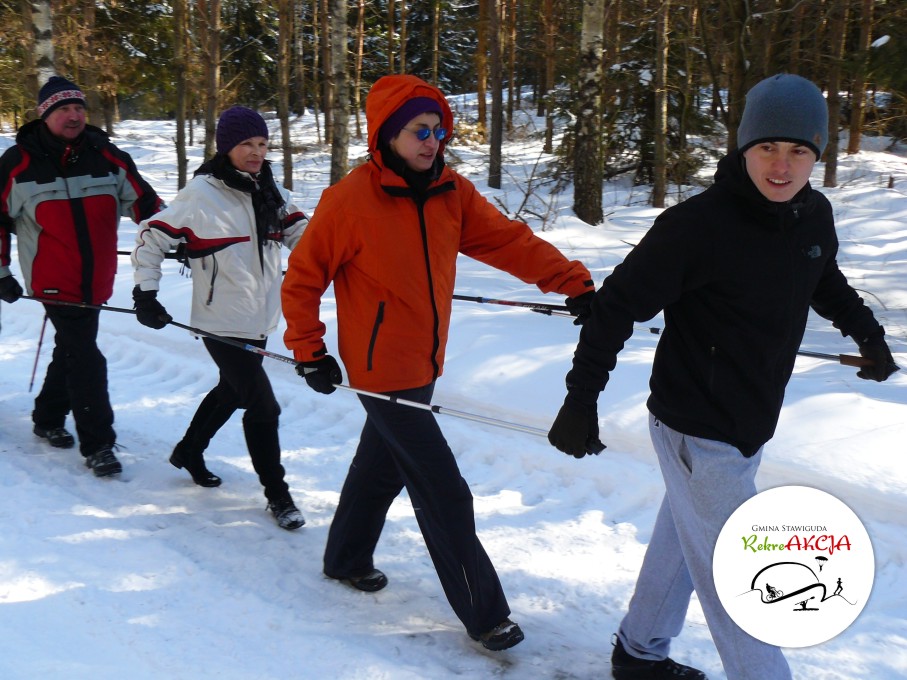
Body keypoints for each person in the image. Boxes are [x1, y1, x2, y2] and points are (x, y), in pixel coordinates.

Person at [548, 73, 899, 680]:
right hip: (697, 428)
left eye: (799, 150)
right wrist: (581, 399)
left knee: (685, 538)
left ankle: (638, 651)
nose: (782, 166)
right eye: (768, 147)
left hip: (750, 420)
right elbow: (615, 307)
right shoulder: (697, 227)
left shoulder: (811, 215)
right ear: (744, 146)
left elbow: (822, 276)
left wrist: (866, 334)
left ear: (817, 154)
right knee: (742, 575)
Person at [281, 74, 595, 651]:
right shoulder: (350, 201)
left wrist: (570, 282)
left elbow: (508, 241)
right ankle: (485, 615)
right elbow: (303, 278)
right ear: (387, 135)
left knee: (381, 465)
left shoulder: (452, 192)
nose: (432, 141)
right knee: (444, 491)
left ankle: (346, 556)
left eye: (438, 130)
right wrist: (308, 350)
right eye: (419, 131)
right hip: (379, 369)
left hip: (425, 361)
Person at [131, 106, 308, 530]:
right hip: (218, 321)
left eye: (262, 144)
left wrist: (339, 267)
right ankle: (278, 495)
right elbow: (151, 237)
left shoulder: (271, 191)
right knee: (262, 405)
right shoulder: (201, 194)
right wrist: (145, 294)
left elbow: (304, 236)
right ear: (226, 147)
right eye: (246, 144)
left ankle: (189, 450)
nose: (256, 152)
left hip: (260, 317)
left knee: (232, 390)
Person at [0, 76, 163, 477]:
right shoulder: (18, 163)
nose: (74, 116)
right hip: (52, 279)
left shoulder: (105, 154)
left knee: (73, 348)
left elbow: (143, 202)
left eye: (79, 108)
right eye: (63, 109)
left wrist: (173, 236)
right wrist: (1, 271)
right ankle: (98, 444)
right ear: (44, 115)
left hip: (97, 280)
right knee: (87, 357)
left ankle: (47, 417)